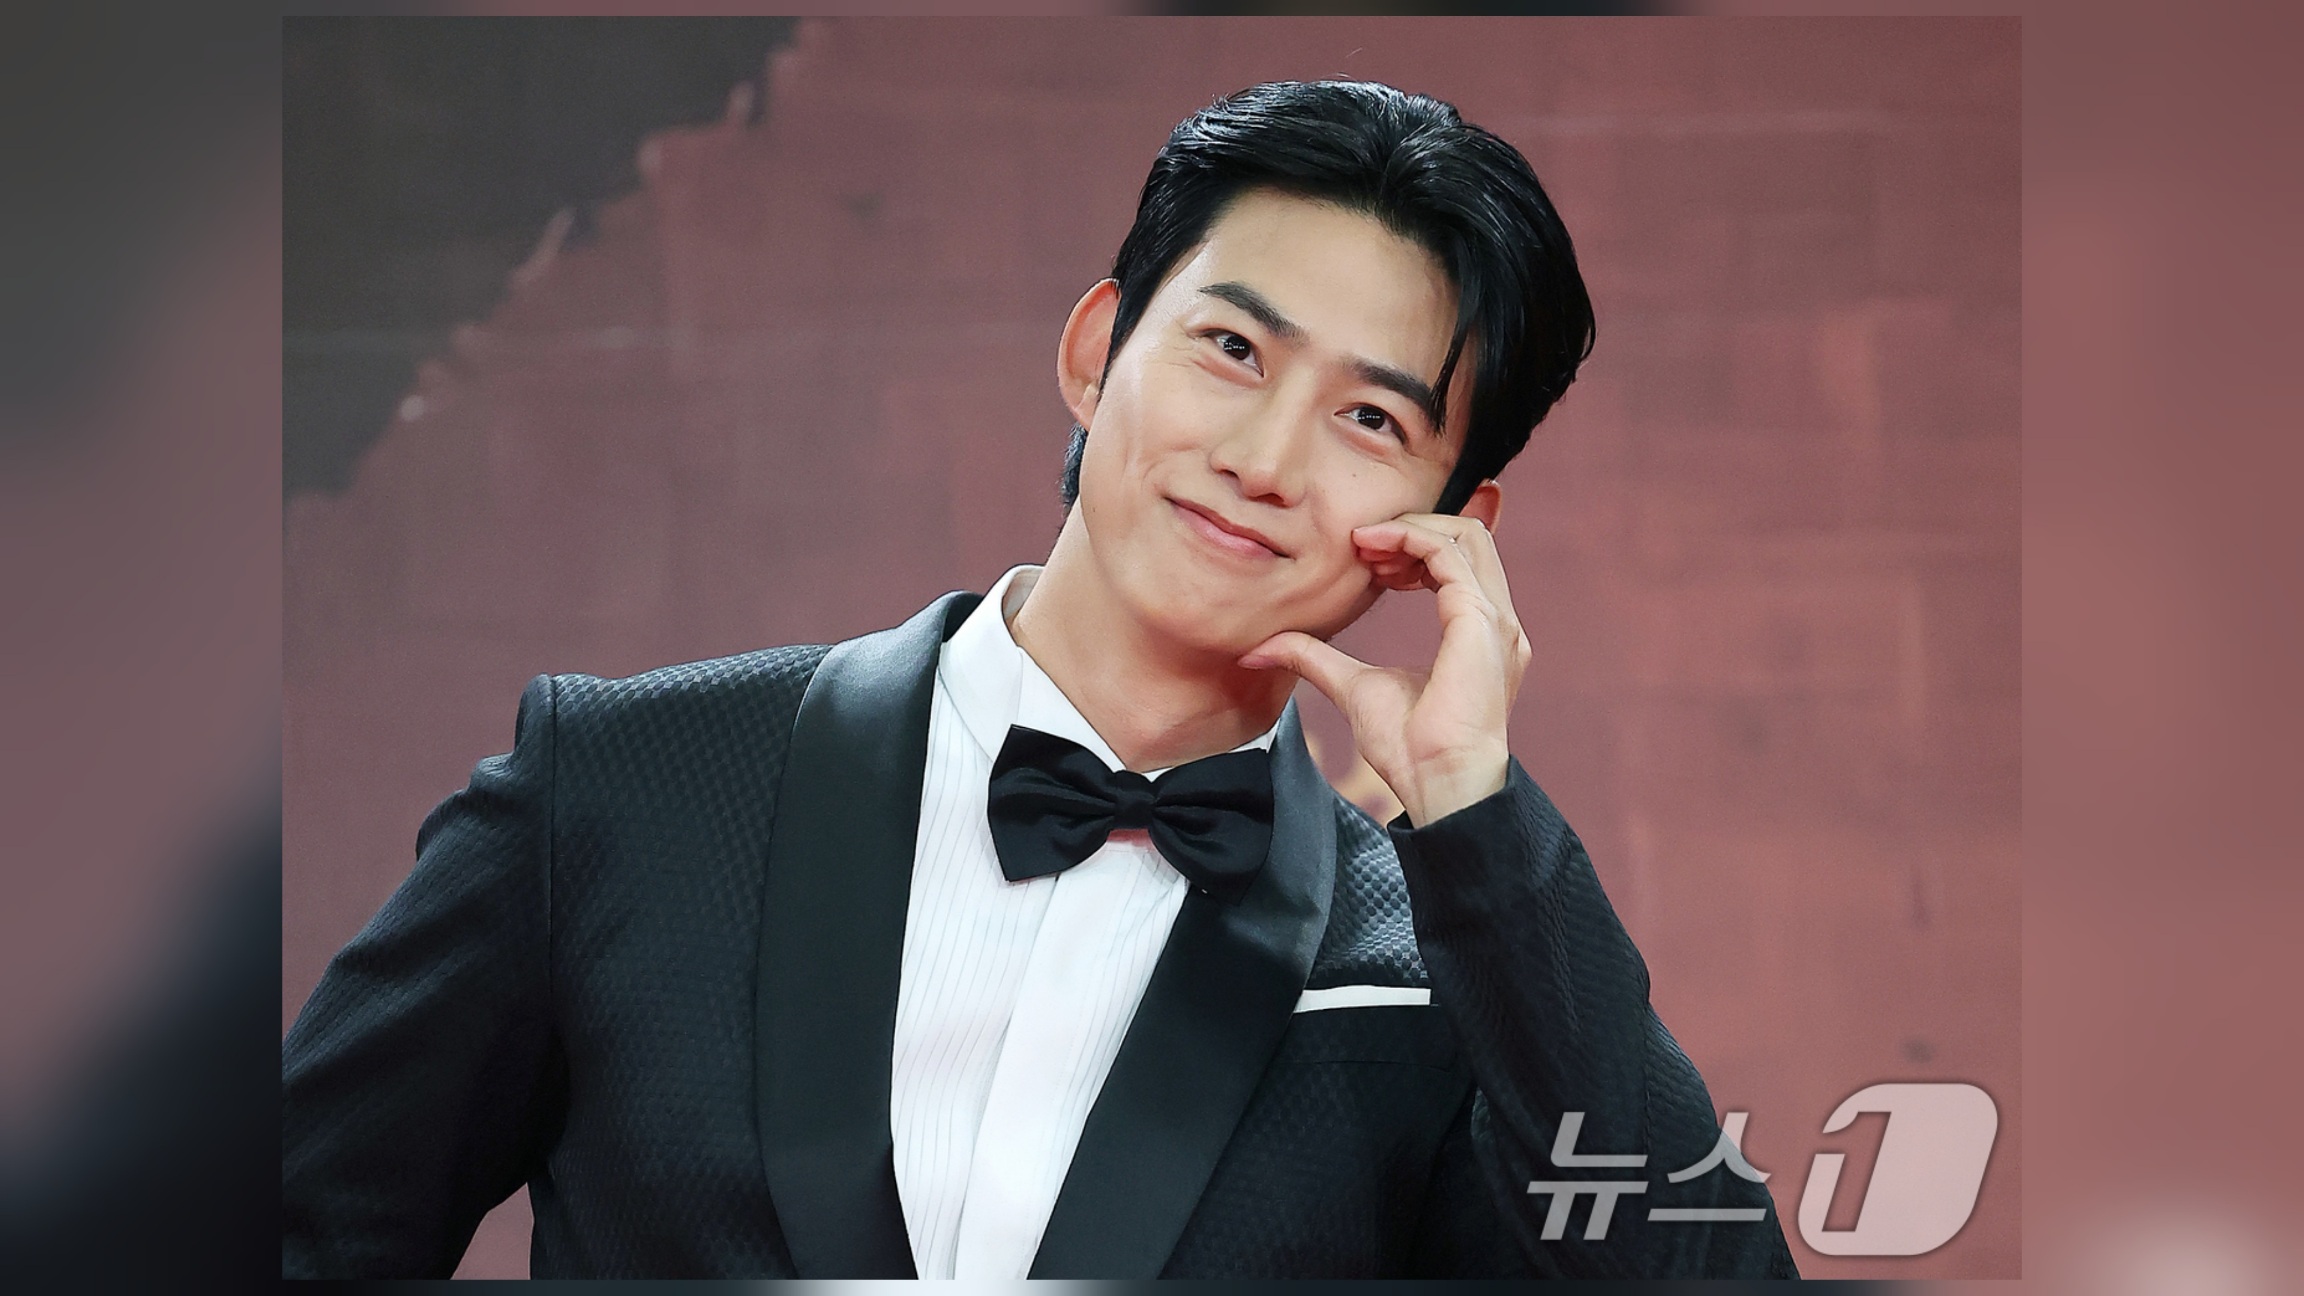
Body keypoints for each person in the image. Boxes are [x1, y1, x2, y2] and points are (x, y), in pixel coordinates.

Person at [282, 79, 1799, 1280]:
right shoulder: (618, 789)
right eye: (1231, 349)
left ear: (1446, 533)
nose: (1263, 459)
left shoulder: (1450, 977)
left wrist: (1473, 814)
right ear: (1096, 349)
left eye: (1372, 422)